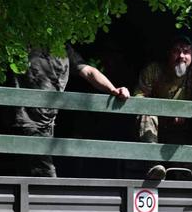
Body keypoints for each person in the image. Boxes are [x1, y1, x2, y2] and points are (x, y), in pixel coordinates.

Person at [13, 46, 130, 177]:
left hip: (47, 121)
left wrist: (113, 89)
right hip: (27, 119)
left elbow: (89, 71)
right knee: (44, 175)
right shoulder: (25, 42)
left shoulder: (63, 48)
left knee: (30, 175)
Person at [134, 35, 192, 179]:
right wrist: (167, 112)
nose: (181, 56)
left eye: (186, 51)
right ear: (169, 53)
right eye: (177, 51)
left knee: (190, 172)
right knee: (146, 113)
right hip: (153, 130)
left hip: (179, 133)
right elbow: (138, 98)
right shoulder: (153, 70)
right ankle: (153, 165)